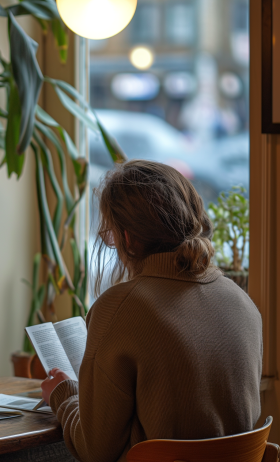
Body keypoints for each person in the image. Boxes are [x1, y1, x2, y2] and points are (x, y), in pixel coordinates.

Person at [41, 160, 262, 462]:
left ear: (128, 238)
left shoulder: (120, 307)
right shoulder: (242, 302)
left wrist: (63, 396)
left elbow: (96, 450)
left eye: (110, 234)